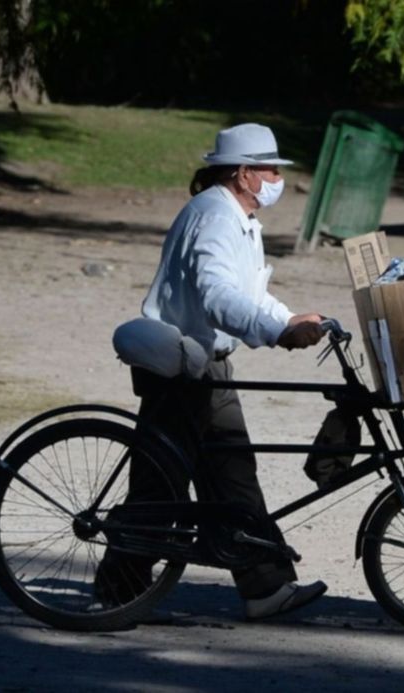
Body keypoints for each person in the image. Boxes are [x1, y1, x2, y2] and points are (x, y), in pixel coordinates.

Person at [97, 123, 329, 621]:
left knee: (233, 474)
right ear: (244, 174)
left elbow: (248, 292)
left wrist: (286, 318)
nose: (275, 178)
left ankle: (265, 586)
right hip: (181, 368)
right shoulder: (217, 218)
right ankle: (118, 592)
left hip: (207, 365)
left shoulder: (237, 216)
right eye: (269, 169)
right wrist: (277, 331)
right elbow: (219, 298)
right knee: (161, 485)